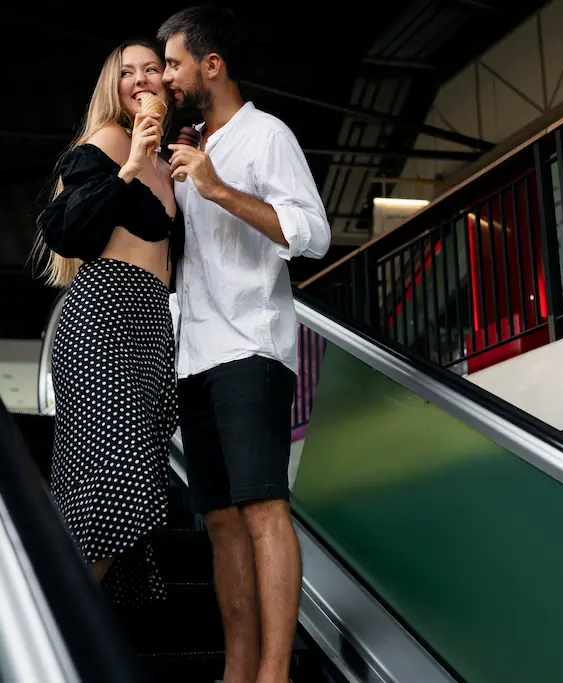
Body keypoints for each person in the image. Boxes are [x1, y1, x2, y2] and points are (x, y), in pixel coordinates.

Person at [156, 6, 331, 683]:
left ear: (211, 65)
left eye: (173, 63)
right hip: (195, 357)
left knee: (263, 509)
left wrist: (216, 188)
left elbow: (312, 235)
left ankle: (274, 672)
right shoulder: (189, 144)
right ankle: (237, 670)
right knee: (221, 522)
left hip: (252, 351)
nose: (166, 76)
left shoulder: (265, 136)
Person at [34, 39, 183, 606]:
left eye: (153, 70)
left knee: (117, 482)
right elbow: (69, 231)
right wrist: (129, 166)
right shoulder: (111, 141)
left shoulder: (170, 161)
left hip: (150, 325)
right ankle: (52, 626)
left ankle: (70, 626)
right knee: (113, 478)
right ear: (113, 87)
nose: (142, 79)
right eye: (129, 73)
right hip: (103, 314)